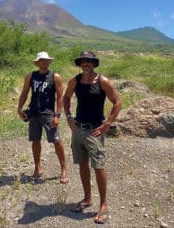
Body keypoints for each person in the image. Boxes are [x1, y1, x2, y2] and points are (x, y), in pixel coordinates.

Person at [63, 51, 121, 224]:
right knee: (82, 165)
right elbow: (66, 98)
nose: (86, 63)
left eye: (89, 61)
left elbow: (117, 102)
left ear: (94, 63)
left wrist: (107, 123)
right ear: (80, 63)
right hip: (78, 129)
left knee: (98, 166)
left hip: (95, 130)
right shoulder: (75, 81)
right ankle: (87, 198)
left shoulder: (102, 81)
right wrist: (68, 117)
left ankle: (103, 204)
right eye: (83, 61)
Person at [18, 51, 68, 184]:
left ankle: (63, 168)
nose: (43, 62)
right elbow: (24, 92)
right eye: (41, 60)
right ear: (37, 62)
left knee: (56, 141)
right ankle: (37, 168)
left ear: (48, 62)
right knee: (35, 140)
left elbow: (60, 97)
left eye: (45, 60)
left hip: (48, 114)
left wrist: (57, 115)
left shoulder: (54, 77)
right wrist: (19, 108)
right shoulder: (31, 76)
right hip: (34, 113)